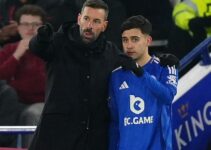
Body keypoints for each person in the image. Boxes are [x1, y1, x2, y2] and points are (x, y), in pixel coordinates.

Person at [28, 0, 179, 150]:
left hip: (91, 140)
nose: (89, 26)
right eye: (86, 19)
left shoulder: (110, 52)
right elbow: (38, 49)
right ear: (79, 18)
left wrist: (164, 60)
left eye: (96, 21)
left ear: (104, 25)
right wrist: (40, 39)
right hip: (55, 137)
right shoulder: (59, 42)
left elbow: (132, 60)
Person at [108, 15, 178, 150]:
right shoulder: (116, 75)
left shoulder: (165, 66)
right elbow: (115, 121)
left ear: (148, 40)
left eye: (135, 39)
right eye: (125, 40)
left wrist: (140, 72)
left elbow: (167, 96)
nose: (129, 45)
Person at [0, 4, 47, 147]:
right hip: (10, 105)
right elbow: (1, 78)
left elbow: (43, 84)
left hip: (38, 103)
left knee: (33, 114)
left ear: (43, 28)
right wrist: (16, 56)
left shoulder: (49, 51)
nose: (30, 29)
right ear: (18, 27)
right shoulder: (9, 49)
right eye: (25, 24)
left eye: (35, 24)